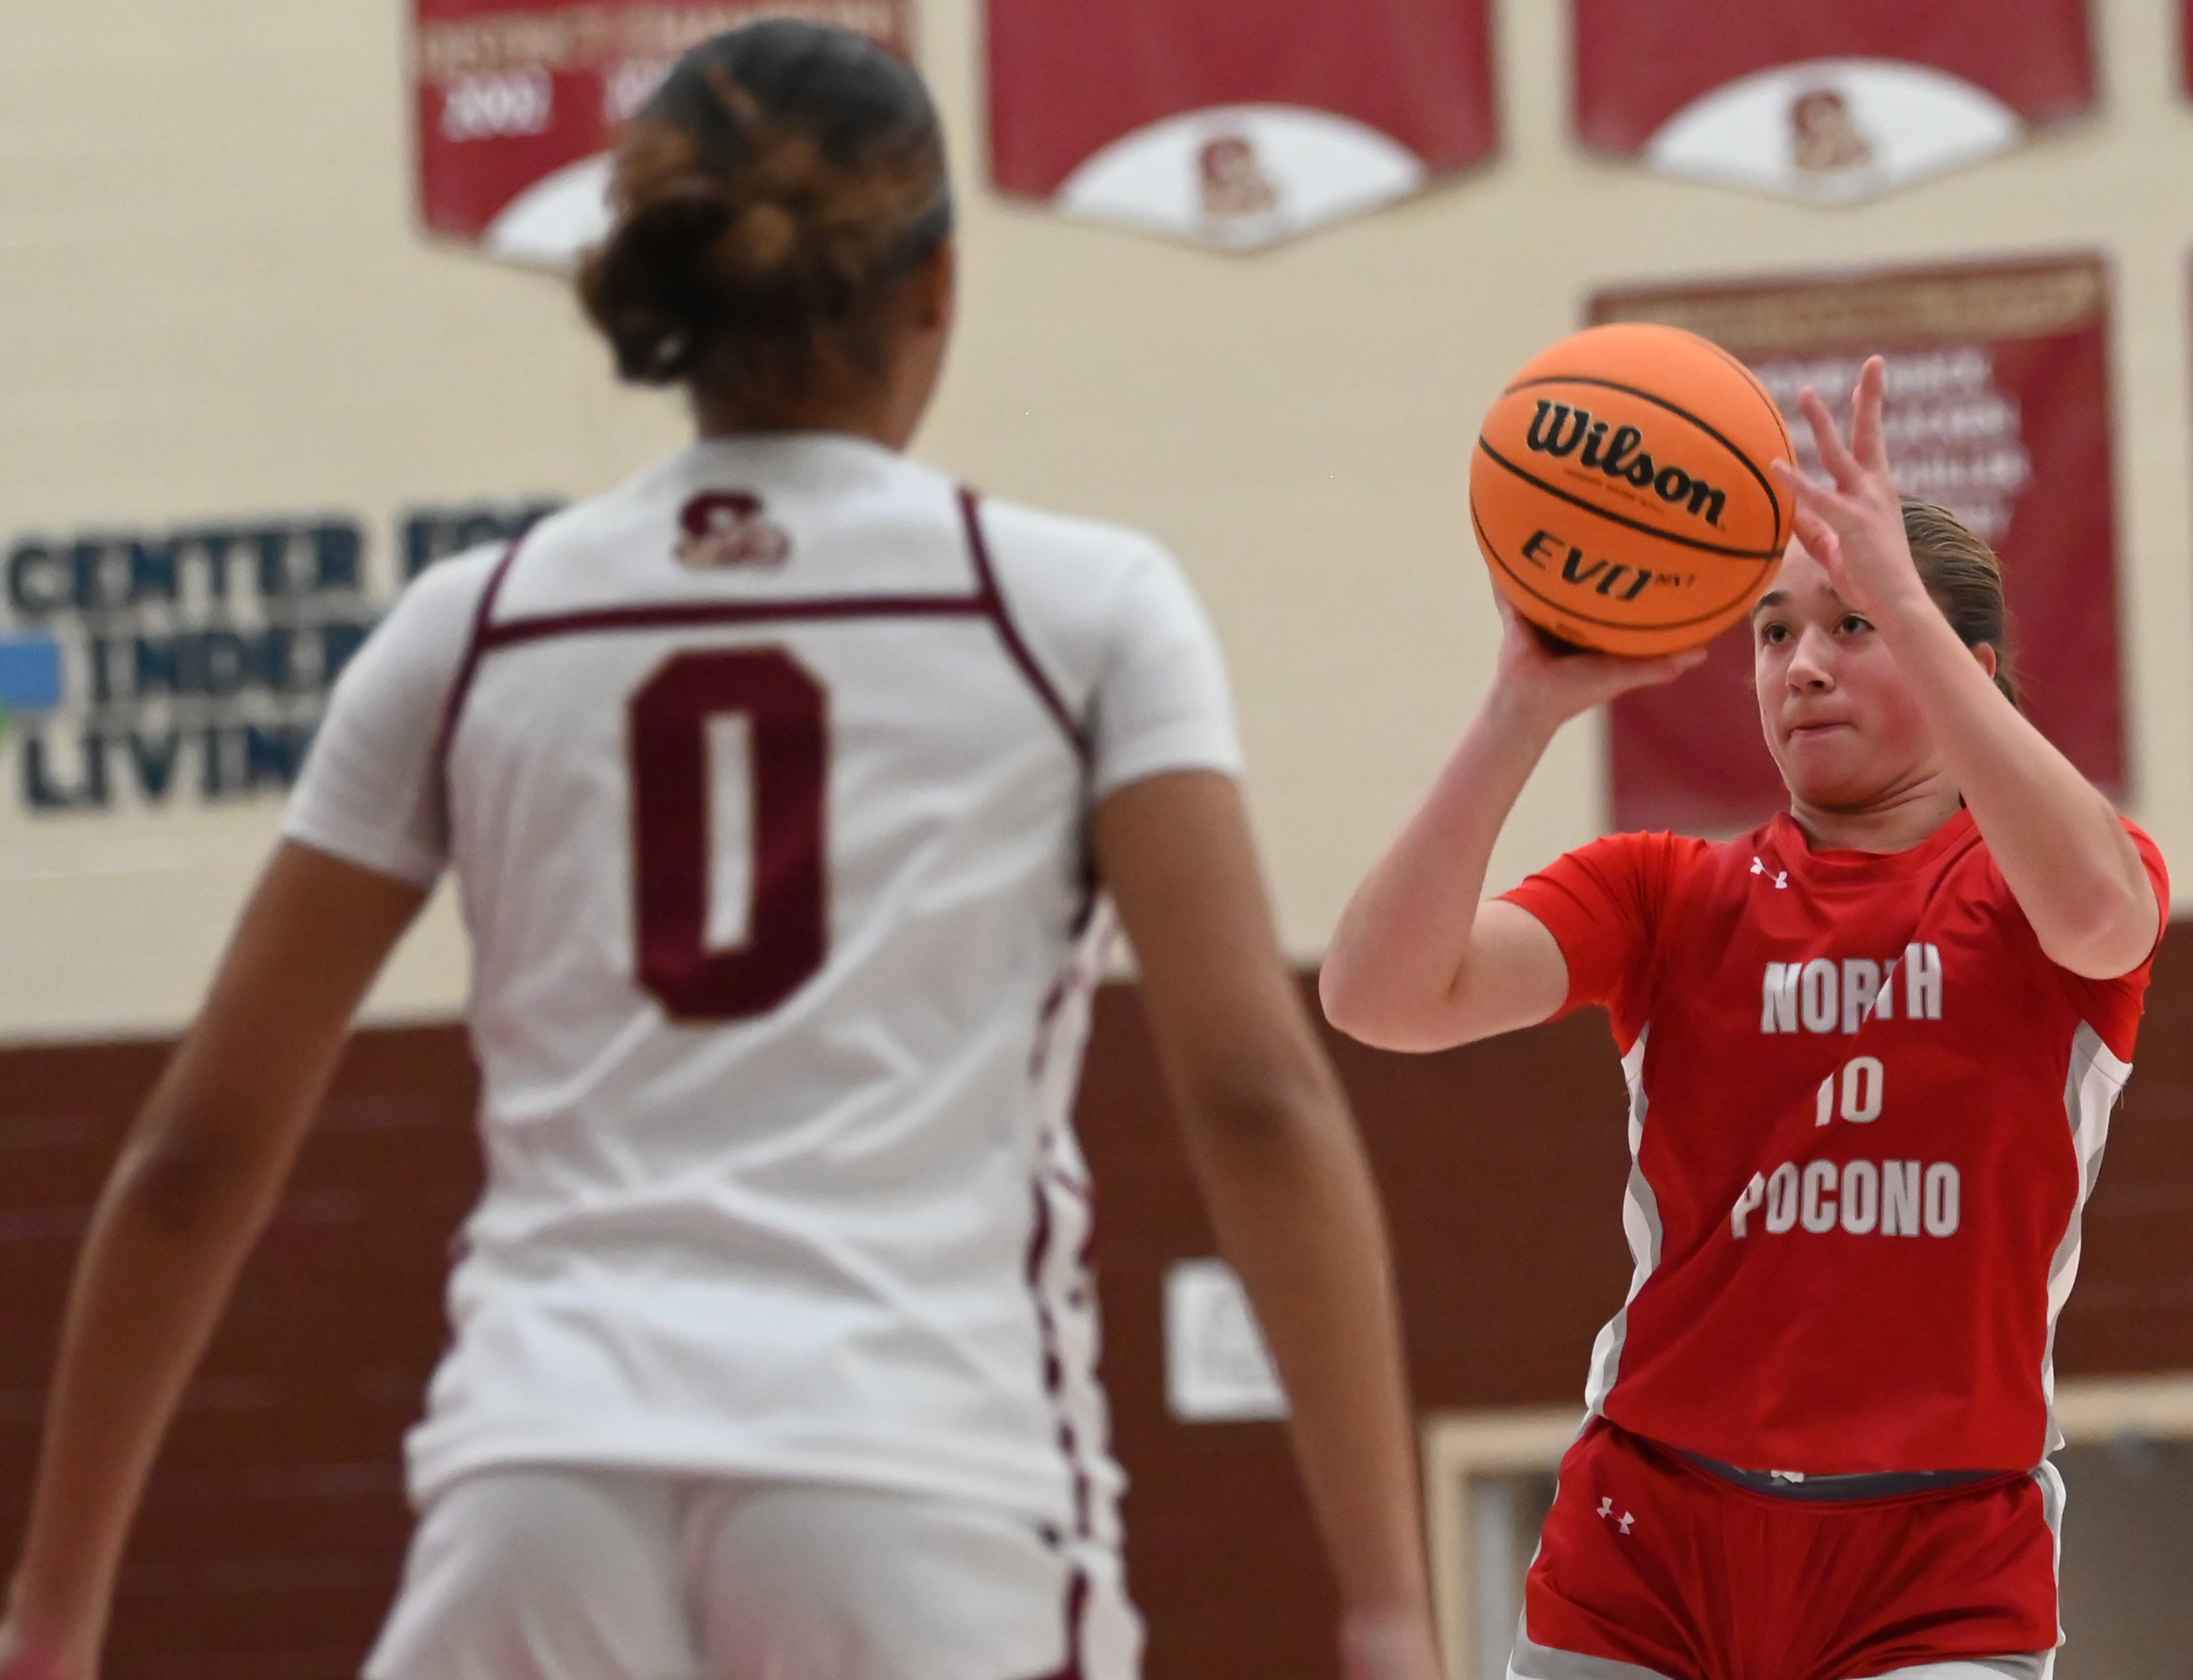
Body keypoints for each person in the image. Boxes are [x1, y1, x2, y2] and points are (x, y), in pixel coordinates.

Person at [0, 24, 1442, 1680]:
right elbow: (1257, 1099)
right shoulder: (1078, 610)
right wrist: (1388, 1601)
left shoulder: (467, 629)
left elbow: (194, 1150)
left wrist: (51, 1611)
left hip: (536, 1485)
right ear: (936, 289)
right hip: (917, 1477)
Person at [1322, 357, 2167, 1680]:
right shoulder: (1667, 892)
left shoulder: (2036, 889)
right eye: (1773, 633)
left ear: (1964, 665)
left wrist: (1902, 586)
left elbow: (2109, 919)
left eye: (1851, 627)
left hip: (1935, 1553)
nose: (1802, 667)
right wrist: (1521, 706)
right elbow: (1376, 998)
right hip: (1651, 1529)